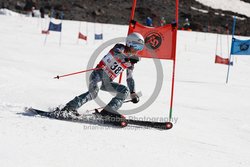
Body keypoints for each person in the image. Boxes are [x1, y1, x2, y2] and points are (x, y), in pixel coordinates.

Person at [55, 32, 144, 127]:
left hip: (107, 82)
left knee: (124, 91)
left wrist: (133, 92)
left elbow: (129, 77)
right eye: (136, 46)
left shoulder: (131, 62)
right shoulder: (119, 48)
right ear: (129, 43)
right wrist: (128, 58)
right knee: (93, 93)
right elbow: (116, 54)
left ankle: (107, 112)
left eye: (140, 48)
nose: (137, 50)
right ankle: (69, 108)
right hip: (98, 75)